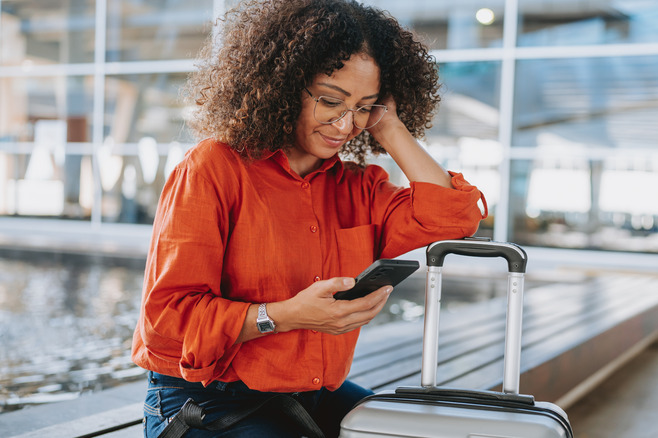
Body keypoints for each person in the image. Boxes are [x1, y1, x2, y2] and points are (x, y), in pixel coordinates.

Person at [132, 0, 487, 436]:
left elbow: (455, 217)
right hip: (206, 397)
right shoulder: (214, 168)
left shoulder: (359, 187)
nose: (345, 124)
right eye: (330, 101)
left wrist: (391, 127)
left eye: (364, 107)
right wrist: (284, 315)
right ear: (283, 86)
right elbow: (167, 321)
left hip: (306, 391)